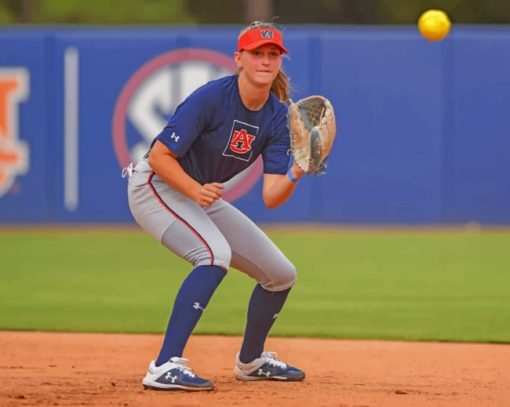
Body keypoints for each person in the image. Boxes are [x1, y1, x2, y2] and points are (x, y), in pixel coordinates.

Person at [126, 21, 305, 391]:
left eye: (273, 54)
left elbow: (271, 197)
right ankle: (163, 365)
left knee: (280, 273)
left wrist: (297, 171)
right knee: (213, 255)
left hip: (198, 196)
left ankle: (252, 361)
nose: (266, 60)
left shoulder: (276, 116)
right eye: (257, 53)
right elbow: (159, 156)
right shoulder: (211, 98)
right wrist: (194, 190)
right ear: (239, 58)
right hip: (156, 185)